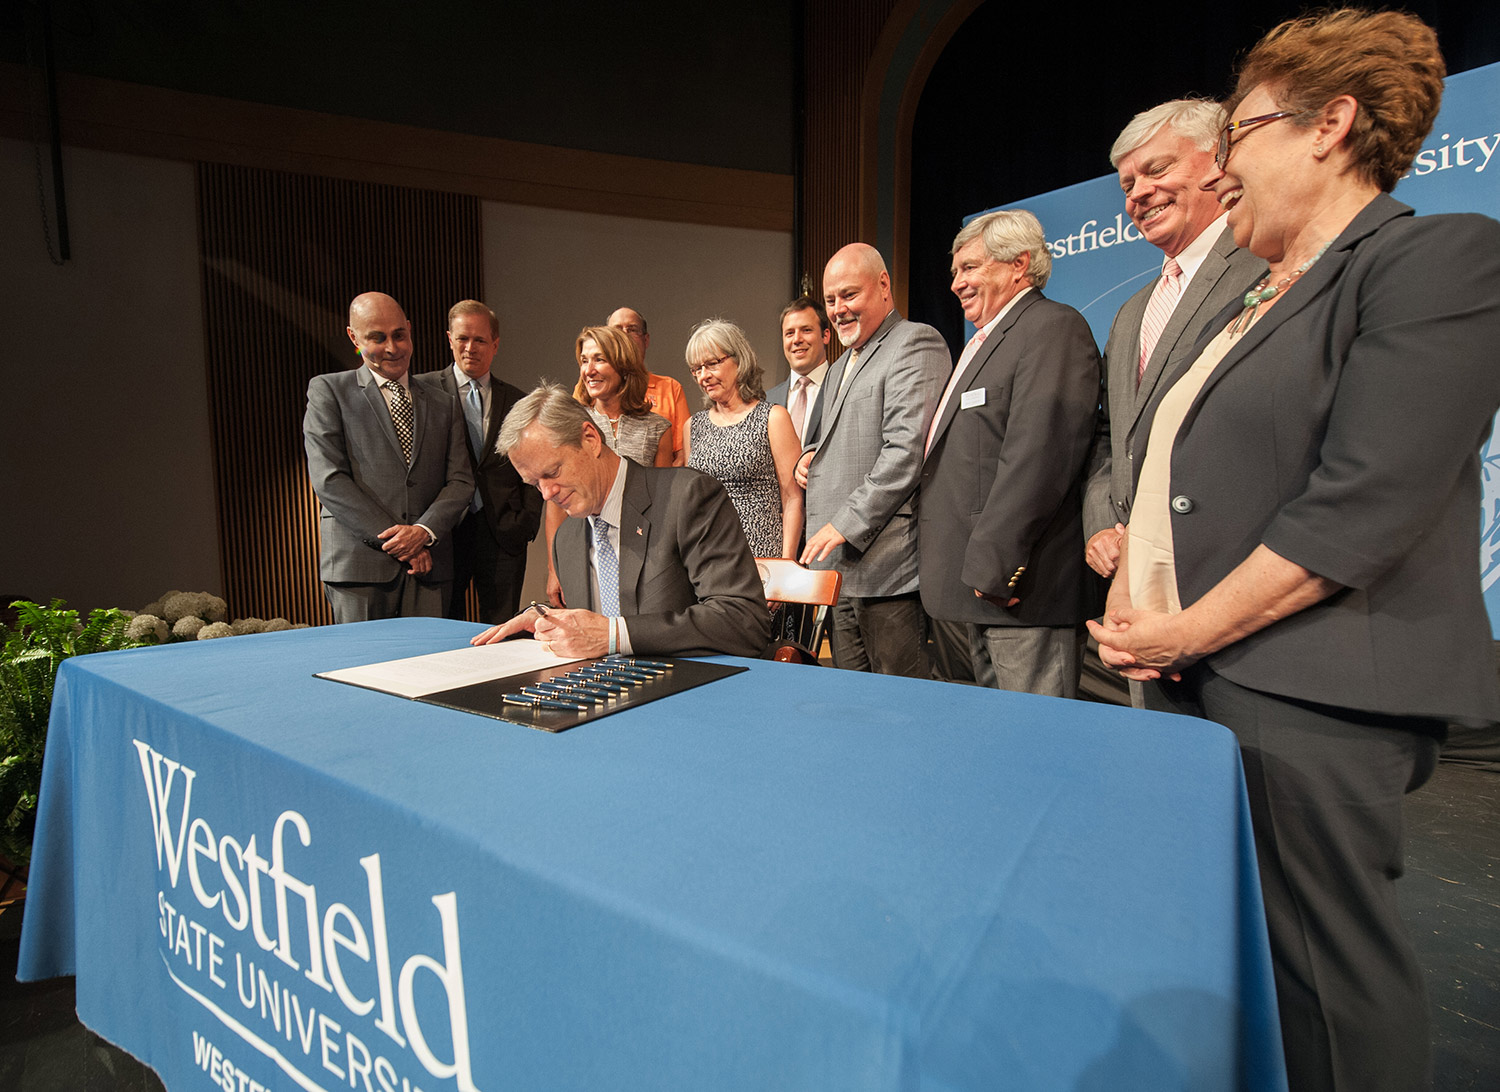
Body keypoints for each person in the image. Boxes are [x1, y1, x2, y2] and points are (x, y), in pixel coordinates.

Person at [1088, 11, 1500, 1090]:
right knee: (1248, 967)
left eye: (1240, 132)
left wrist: (1181, 628)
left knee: (1325, 986)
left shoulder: (1434, 258)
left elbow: (1360, 506)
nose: (1224, 167)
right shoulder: (1254, 299)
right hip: (1205, 674)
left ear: (1333, 125)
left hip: (1313, 693)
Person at [1080, 98, 1264, 703]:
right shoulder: (1132, 311)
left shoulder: (1264, 269)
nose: (1139, 194)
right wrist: (1106, 521)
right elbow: (1112, 435)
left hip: (1230, 589)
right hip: (1136, 591)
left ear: (1217, 162)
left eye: (1157, 171)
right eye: (1128, 183)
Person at [919, 211, 1101, 698]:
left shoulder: (1052, 327)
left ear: (1019, 265)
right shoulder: (985, 342)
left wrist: (994, 567)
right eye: (955, 271)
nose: (957, 283)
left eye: (970, 268)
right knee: (996, 747)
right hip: (974, 591)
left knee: (1037, 749)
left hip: (1019, 590)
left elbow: (1039, 457)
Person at [471, 384, 771, 658]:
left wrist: (613, 635)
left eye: (552, 473)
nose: (547, 493)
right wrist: (545, 618)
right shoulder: (567, 538)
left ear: (590, 439)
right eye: (534, 483)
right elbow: (595, 617)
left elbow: (742, 620)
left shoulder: (687, 496)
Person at [796, 243, 948, 677]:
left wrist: (845, 523)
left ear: (884, 286)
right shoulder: (843, 363)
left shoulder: (915, 342)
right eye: (830, 300)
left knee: (902, 711)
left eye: (849, 295)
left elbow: (906, 453)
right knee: (854, 710)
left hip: (889, 571)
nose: (838, 310)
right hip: (840, 574)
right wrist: (806, 459)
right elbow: (827, 439)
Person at [304, 292, 472, 622]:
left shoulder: (444, 403)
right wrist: (401, 542)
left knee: (433, 670)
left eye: (399, 335)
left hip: (430, 567)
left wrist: (423, 532)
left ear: (410, 330)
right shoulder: (329, 391)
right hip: (360, 568)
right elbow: (330, 479)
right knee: (362, 669)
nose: (392, 348)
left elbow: (461, 481)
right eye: (377, 338)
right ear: (354, 337)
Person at [414, 300, 542, 623]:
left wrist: (525, 521)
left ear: (495, 344)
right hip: (442, 536)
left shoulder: (518, 401)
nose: (470, 348)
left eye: (480, 340)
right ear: (449, 339)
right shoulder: (423, 392)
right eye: (463, 338)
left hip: (502, 534)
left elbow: (534, 465)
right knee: (444, 630)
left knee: (502, 632)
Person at [545, 325, 673, 606]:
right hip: (584, 551)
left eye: (599, 359)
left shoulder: (657, 428)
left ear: (624, 365)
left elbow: (662, 509)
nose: (589, 369)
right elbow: (555, 501)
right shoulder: (570, 426)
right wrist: (555, 569)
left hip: (641, 556)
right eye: (584, 360)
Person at [682, 318, 804, 560]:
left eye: (712, 364)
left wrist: (785, 564)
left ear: (739, 360)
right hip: (708, 559)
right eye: (697, 369)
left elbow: (793, 498)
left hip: (760, 561)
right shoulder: (692, 426)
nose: (703, 376)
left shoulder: (772, 418)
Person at [609, 307, 692, 465]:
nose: (624, 335)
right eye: (617, 330)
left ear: (646, 340)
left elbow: (684, 455)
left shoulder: (670, 388)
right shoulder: (593, 388)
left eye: (632, 329)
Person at [765, 297, 833, 446]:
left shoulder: (843, 388)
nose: (797, 339)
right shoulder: (766, 401)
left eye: (806, 330)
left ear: (826, 335)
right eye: (789, 333)